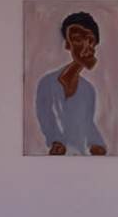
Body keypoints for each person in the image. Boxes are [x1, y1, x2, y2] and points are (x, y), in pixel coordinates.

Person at [35, 10, 109, 155]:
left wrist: (96, 144)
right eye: (77, 39)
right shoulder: (47, 83)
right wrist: (56, 141)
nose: (86, 46)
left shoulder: (88, 90)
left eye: (90, 40)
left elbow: (88, 123)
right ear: (68, 45)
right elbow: (45, 118)